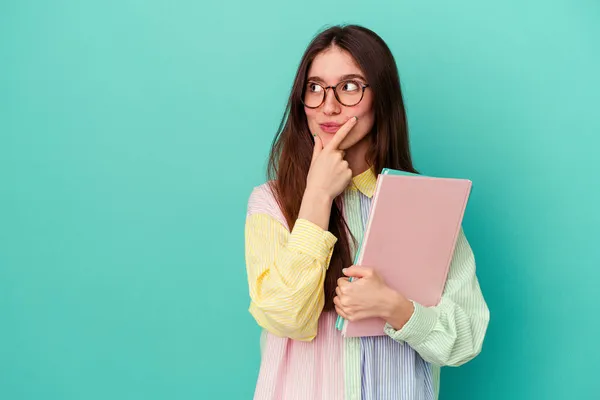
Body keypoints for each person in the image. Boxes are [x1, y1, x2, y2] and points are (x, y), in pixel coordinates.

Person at [244, 24, 490, 400]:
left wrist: (397, 309)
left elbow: (468, 337)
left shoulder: (425, 204)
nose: (328, 105)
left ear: (381, 97)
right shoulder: (270, 203)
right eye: (315, 88)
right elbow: (285, 316)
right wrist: (317, 196)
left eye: (349, 86)